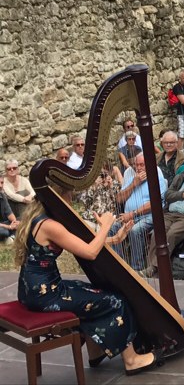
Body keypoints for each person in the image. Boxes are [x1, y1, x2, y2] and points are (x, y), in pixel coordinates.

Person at [14, 186, 161, 375]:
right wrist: (107, 225)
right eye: (69, 195)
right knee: (115, 301)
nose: (71, 201)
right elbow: (90, 252)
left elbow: (79, 244)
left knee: (88, 290)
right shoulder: (51, 225)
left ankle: (95, 351)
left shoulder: (38, 219)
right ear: (60, 198)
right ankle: (132, 360)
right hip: (47, 295)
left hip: (31, 291)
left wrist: (115, 238)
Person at [113, 153, 168, 271]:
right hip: (129, 216)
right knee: (112, 227)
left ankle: (136, 268)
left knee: (135, 230)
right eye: (136, 165)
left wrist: (133, 213)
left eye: (142, 165)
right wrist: (133, 184)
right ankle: (118, 264)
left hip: (149, 216)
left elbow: (155, 202)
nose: (138, 168)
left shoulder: (157, 177)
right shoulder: (133, 177)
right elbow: (119, 199)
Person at [0, 174, 19, 243]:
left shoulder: (2, 195)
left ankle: (11, 237)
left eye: (2, 183)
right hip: (2, 227)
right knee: (4, 232)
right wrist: (9, 227)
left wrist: (15, 223)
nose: (0, 186)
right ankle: (13, 235)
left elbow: (9, 213)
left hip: (3, 223)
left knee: (22, 220)